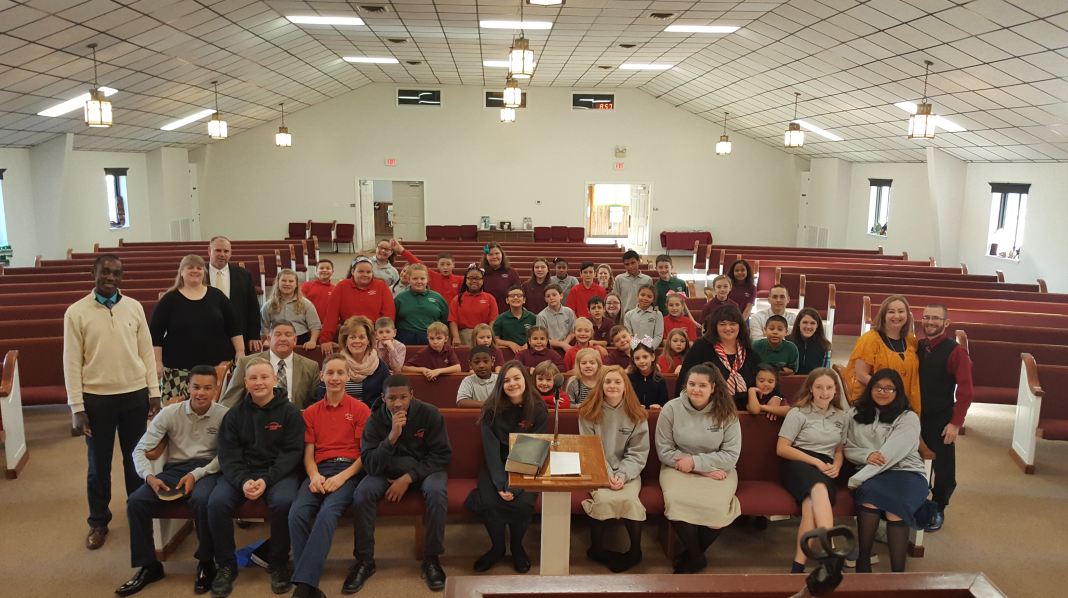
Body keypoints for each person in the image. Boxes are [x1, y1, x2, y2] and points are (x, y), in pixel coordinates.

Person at [64, 254, 161, 550]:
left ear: (122, 277)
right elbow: (71, 363)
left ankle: (137, 511)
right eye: (105, 272)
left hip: (134, 395)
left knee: (135, 459)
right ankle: (98, 521)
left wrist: (154, 392)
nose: (110, 278)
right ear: (93, 273)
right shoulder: (76, 312)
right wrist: (77, 408)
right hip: (97, 400)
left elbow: (146, 352)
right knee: (98, 464)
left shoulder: (134, 307)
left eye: (116, 273)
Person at [118, 366, 226, 596]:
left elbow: (227, 456)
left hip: (208, 470)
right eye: (196, 387)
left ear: (216, 390)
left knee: (201, 499)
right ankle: (149, 566)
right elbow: (140, 449)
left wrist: (197, 474)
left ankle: (206, 562)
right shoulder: (169, 413)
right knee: (136, 502)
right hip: (175, 468)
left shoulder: (225, 415)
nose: (201, 393)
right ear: (188, 387)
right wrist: (149, 476)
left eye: (208, 388)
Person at [208, 357, 304, 597]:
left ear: (274, 380)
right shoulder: (234, 415)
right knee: (216, 503)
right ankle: (226, 565)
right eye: (253, 378)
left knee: (284, 502)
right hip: (242, 473)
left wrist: (266, 480)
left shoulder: (290, 412)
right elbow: (228, 455)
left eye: (264, 377)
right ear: (245, 382)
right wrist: (243, 481)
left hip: (278, 473)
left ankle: (278, 561)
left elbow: (292, 453)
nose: (259, 382)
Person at [348, 375, 451, 592]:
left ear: (411, 395)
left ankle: (431, 559)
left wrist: (408, 478)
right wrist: (392, 437)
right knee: (362, 493)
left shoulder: (430, 413)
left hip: (424, 470)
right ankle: (365, 560)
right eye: (392, 398)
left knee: (436, 492)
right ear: (383, 398)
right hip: (385, 472)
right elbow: (370, 465)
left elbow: (442, 455)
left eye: (403, 397)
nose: (398, 403)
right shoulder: (374, 421)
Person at [288, 354, 371, 598]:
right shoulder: (311, 412)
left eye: (340, 373)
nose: (335, 378)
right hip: (319, 470)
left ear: (348, 376)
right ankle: (310, 586)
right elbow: (308, 455)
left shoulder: (360, 409)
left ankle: (303, 588)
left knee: (327, 513)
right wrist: (314, 476)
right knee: (296, 514)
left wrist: (342, 477)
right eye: (330, 373)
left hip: (348, 471)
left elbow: (365, 455)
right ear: (322, 376)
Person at [845, 370, 937, 573]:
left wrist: (858, 478)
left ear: (898, 392)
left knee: (896, 508)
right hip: (874, 473)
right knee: (868, 496)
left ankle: (897, 574)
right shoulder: (854, 414)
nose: (882, 392)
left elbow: (891, 454)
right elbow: (847, 447)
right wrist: (866, 455)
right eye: (877, 387)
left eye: (889, 389)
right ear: (870, 389)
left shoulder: (908, 417)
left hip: (906, 473)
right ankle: (863, 563)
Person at [656, 364, 742, 574]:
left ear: (713, 388)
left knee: (717, 510)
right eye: (692, 384)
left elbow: (731, 455)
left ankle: (693, 555)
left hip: (719, 469)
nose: (696, 389)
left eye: (702, 385)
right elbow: (664, 451)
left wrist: (696, 463)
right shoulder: (671, 409)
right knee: (675, 502)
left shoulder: (727, 412)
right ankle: (695, 557)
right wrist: (700, 469)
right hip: (677, 467)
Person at [465, 362, 548, 573]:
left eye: (517, 378)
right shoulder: (490, 408)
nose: (512, 384)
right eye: (507, 380)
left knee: (522, 503)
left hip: (528, 463)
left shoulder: (538, 408)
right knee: (490, 501)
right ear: (501, 384)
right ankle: (498, 548)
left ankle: (517, 547)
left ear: (525, 380)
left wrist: (514, 486)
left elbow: (532, 447)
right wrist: (501, 483)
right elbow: (491, 449)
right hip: (497, 465)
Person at [776, 368, 849, 573]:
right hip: (798, 462)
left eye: (829, 387)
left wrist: (837, 466)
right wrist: (815, 462)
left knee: (810, 504)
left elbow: (839, 450)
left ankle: (798, 565)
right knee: (818, 489)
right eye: (819, 387)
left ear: (835, 390)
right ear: (810, 388)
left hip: (826, 465)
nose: (824, 392)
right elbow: (782, 449)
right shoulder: (798, 412)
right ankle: (831, 553)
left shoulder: (842, 416)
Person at [578, 365, 650, 572]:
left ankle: (635, 551)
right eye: (608, 382)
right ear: (600, 385)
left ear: (625, 386)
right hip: (597, 468)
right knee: (603, 500)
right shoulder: (588, 413)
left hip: (628, 471)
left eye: (618, 382)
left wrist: (622, 475)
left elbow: (638, 452)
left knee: (630, 501)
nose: (612, 386)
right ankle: (597, 550)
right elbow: (590, 448)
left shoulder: (637, 415)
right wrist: (609, 475)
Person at [151, 254, 244, 404]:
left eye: (199, 268)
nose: (195, 271)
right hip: (178, 369)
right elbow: (155, 334)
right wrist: (157, 362)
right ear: (182, 271)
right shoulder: (169, 299)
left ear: (204, 272)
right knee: (176, 411)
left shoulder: (217, 296)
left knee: (216, 410)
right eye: (190, 267)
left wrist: (240, 351)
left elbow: (234, 327)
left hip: (216, 368)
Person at [916, 304, 974, 532]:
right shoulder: (918, 346)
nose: (930, 322)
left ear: (946, 323)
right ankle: (916, 501)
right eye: (926, 317)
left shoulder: (956, 351)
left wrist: (955, 423)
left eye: (936, 318)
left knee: (943, 468)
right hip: (914, 416)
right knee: (914, 462)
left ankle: (938, 507)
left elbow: (966, 391)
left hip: (940, 418)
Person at [843, 295, 921, 413]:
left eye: (901, 311)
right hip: (876, 403)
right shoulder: (869, 339)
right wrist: (889, 391)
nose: (896, 316)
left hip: (905, 403)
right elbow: (861, 376)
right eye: (891, 312)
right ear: (883, 315)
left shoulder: (911, 341)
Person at [676, 304, 762, 410]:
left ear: (740, 326)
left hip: (745, 411)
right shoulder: (701, 346)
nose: (728, 328)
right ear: (715, 327)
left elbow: (765, 374)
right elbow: (684, 379)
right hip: (707, 410)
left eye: (733, 324)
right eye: (722, 324)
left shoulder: (747, 349)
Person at [222, 321, 320, 409]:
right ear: (269, 339)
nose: (283, 339)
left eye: (288, 335)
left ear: (295, 340)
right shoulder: (245, 363)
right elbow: (230, 400)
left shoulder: (311, 367)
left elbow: (315, 402)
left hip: (295, 419)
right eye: (278, 335)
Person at [319, 257, 396, 354]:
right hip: (349, 332)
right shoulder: (342, 286)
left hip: (373, 334)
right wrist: (325, 339)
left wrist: (385, 336)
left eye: (368, 272)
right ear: (353, 271)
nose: (365, 275)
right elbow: (331, 314)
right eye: (361, 271)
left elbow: (388, 315)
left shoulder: (381, 286)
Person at [317, 316, 391, 408]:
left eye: (362, 337)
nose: (357, 341)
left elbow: (389, 396)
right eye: (352, 337)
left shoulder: (379, 366)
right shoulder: (335, 363)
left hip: (371, 414)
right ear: (345, 341)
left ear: (368, 340)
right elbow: (322, 394)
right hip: (337, 412)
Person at [207, 236, 262, 353]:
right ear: (209, 251)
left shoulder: (244, 275)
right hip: (207, 335)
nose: (222, 254)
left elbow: (252, 306)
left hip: (239, 334)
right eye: (218, 250)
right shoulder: (199, 275)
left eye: (226, 251)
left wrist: (254, 335)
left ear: (231, 253)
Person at [261, 269, 321, 350]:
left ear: (296, 284)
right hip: (277, 340)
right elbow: (264, 326)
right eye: (283, 281)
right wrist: (269, 339)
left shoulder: (306, 304)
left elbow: (315, 326)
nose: (287, 284)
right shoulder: (269, 304)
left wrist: (312, 341)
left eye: (291, 281)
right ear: (278, 283)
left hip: (301, 340)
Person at [393, 263, 449, 345]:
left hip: (432, 338)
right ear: (409, 279)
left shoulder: (437, 298)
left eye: (422, 278)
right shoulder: (400, 298)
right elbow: (394, 320)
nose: (419, 282)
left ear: (427, 279)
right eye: (415, 278)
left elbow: (445, 320)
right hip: (405, 337)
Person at [394, 240, 464, 304]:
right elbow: (416, 261)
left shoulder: (459, 280)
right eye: (442, 264)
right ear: (438, 265)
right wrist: (400, 249)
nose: (445, 267)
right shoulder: (432, 276)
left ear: (453, 265)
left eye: (448, 264)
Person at [449, 265, 499, 346]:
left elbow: (493, 319)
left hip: (484, 335)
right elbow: (453, 320)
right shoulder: (457, 299)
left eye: (478, 278)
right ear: (466, 281)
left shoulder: (490, 298)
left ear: (482, 281)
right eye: (471, 278)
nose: (474, 281)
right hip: (464, 335)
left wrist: (488, 335)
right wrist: (456, 337)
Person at [492, 285, 537, 353]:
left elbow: (538, 337)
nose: (515, 298)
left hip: (529, 352)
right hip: (508, 353)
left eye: (519, 295)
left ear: (524, 300)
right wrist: (510, 344)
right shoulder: (500, 319)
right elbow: (495, 340)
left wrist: (528, 343)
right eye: (512, 296)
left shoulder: (532, 317)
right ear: (507, 300)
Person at [481, 242, 522, 312]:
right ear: (486, 257)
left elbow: (518, 294)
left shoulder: (512, 272)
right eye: (490, 254)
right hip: (487, 313)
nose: (494, 257)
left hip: (508, 313)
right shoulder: (481, 273)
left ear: (502, 255)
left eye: (497, 253)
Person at [789, 308, 832, 375]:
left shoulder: (825, 346)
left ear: (817, 326)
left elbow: (826, 372)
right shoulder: (786, 342)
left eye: (812, 323)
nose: (808, 327)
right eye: (805, 322)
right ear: (798, 323)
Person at [628, 341, 668, 409]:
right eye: (637, 358)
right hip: (635, 414)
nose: (641, 361)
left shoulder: (660, 379)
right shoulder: (629, 378)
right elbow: (626, 401)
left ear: (652, 357)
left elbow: (665, 404)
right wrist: (634, 406)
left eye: (645, 357)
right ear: (633, 360)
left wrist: (658, 407)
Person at [537, 283, 576, 352]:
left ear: (561, 296)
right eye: (548, 296)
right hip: (550, 349)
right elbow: (542, 338)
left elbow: (572, 331)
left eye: (554, 295)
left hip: (568, 345)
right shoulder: (541, 316)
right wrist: (561, 344)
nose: (551, 298)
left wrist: (565, 343)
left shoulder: (568, 311)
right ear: (545, 299)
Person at [624, 284, 664, 349]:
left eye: (649, 296)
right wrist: (636, 349)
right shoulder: (629, 315)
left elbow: (658, 336)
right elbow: (629, 336)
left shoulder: (657, 314)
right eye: (642, 295)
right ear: (638, 295)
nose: (645, 298)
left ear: (653, 299)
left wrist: (649, 349)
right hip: (634, 350)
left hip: (650, 351)